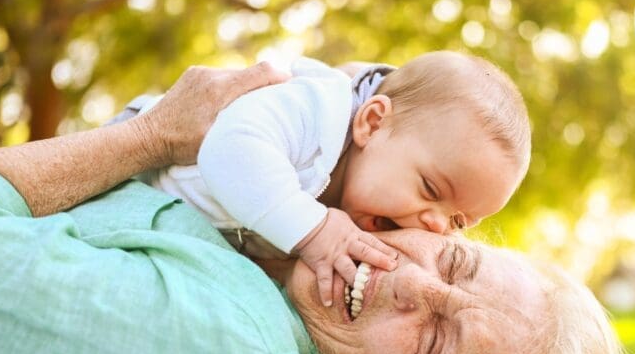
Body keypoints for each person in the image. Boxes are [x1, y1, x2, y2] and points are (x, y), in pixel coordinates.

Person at [0, 63, 628, 354]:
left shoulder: (224, 352)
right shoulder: (273, 241)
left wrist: (151, 137)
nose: (408, 275)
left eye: (434, 339)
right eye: (455, 263)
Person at [124, 52, 532, 307]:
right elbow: (229, 148)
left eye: (458, 222)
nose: (437, 224)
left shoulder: (363, 208)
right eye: (430, 190)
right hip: (136, 167)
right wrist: (313, 230)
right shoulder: (316, 109)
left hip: (173, 229)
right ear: (372, 124)